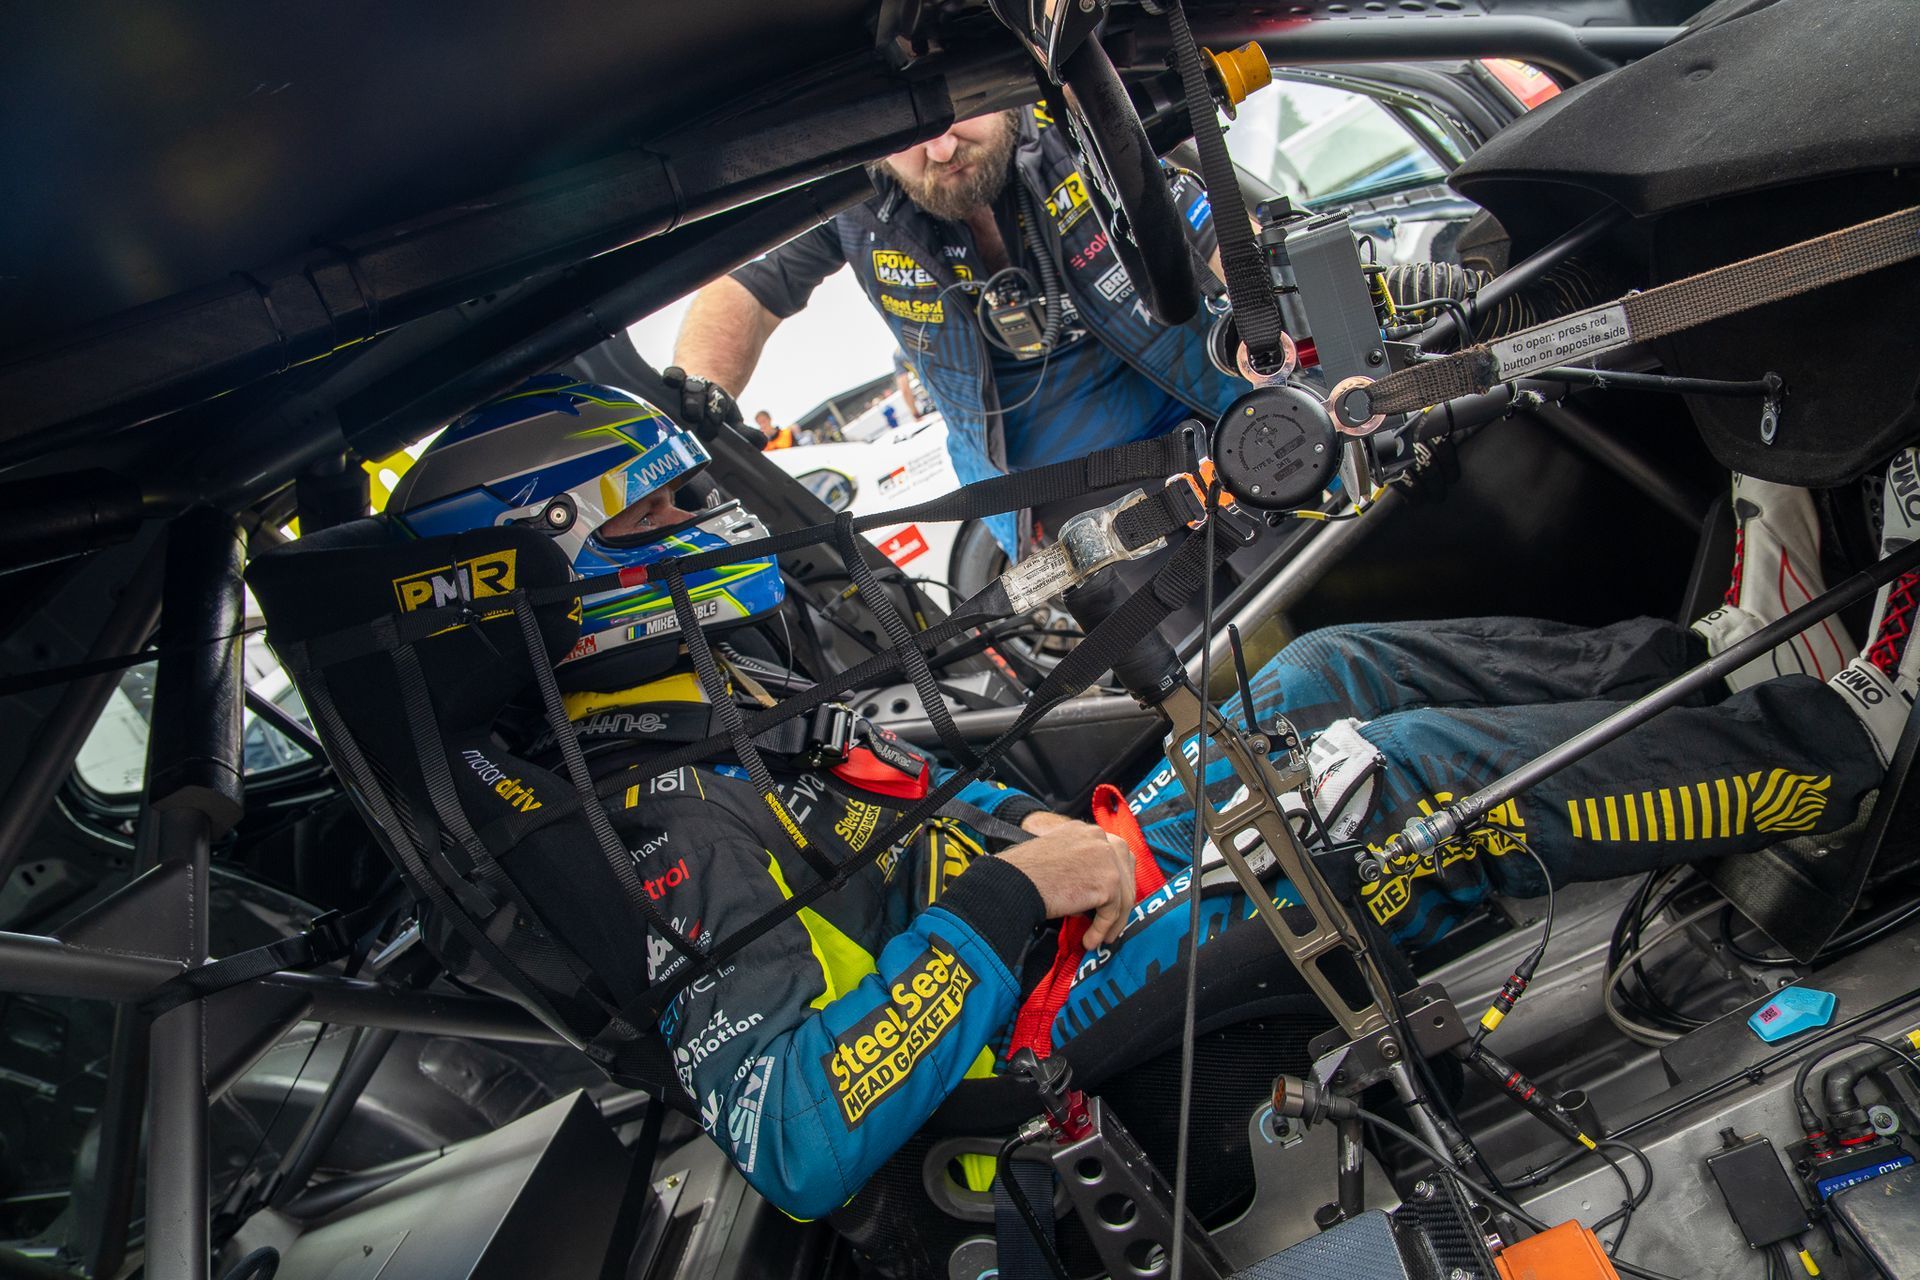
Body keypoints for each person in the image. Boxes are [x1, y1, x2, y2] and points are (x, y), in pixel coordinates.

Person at [384, 377, 1900, 1220]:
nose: (704, 521)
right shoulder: (644, 824)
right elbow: (796, 1136)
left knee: (1318, 683)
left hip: (1068, 897)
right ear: (568, 570)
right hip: (1035, 1034)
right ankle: (1841, 754)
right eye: (661, 510)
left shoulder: (706, 698)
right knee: (1391, 786)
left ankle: (1699, 673)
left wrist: (1041, 849)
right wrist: (1023, 890)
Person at [671, 106, 1243, 553]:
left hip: (1213, 424)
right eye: (904, 137)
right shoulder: (849, 201)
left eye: (950, 119)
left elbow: (1214, 231)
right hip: (1062, 507)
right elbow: (744, 288)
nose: (940, 149)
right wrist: (686, 430)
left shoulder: (1070, 115)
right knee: (1202, 678)